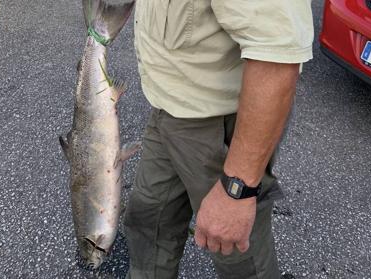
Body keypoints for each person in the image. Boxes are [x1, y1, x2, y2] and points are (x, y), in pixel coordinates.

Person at [123, 1, 314, 278]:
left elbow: (276, 61)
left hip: (216, 130)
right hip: (167, 107)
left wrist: (237, 190)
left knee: (238, 254)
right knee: (149, 221)